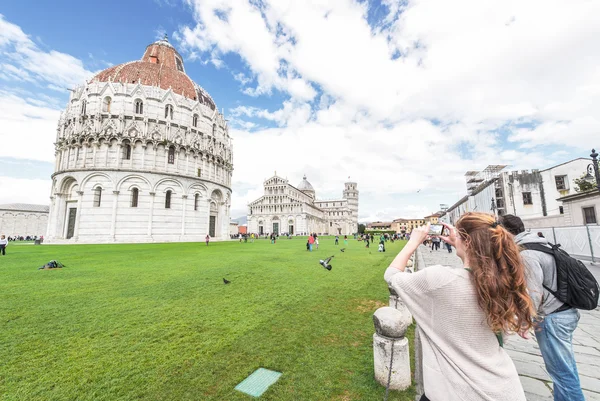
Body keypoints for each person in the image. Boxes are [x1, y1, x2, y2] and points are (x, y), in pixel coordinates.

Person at [384, 213, 534, 401]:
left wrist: (413, 241)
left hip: (455, 391)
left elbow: (391, 275)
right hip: (505, 389)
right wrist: (463, 244)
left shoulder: (440, 280)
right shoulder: (506, 285)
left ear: (467, 242)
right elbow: (474, 273)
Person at [500, 215, 585, 401]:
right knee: (563, 370)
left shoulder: (526, 254)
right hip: (565, 312)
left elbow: (533, 293)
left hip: (553, 317)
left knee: (563, 373)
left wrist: (524, 321)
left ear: (506, 232)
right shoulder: (540, 243)